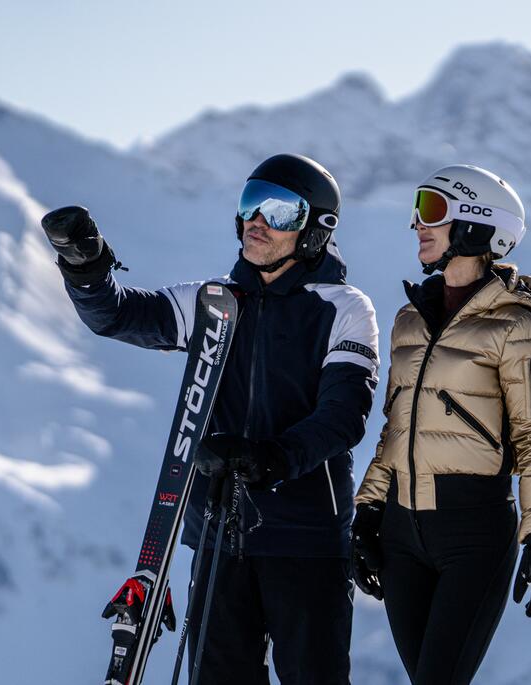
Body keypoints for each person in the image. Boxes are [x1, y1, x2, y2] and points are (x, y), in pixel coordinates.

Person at [41, 153, 377, 684]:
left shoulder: (342, 308)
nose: (257, 222)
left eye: (280, 211)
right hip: (220, 538)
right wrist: (85, 268)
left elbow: (344, 416)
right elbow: (119, 315)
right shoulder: (215, 302)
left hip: (306, 540)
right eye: (250, 204)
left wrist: (272, 458)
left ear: (316, 229)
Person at [352, 164, 531, 683]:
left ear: (476, 223)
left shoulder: (521, 325)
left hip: (472, 533)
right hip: (402, 534)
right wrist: (367, 511)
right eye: (417, 209)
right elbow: (395, 429)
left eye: (431, 210)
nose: (416, 224)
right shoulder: (410, 319)